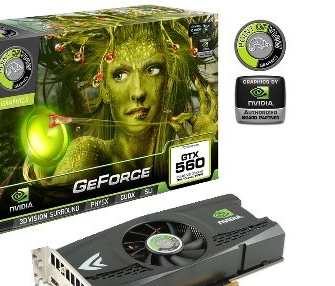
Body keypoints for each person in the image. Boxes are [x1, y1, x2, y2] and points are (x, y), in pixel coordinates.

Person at [23, 14, 217, 185]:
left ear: (167, 81)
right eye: (120, 75)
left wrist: (198, 150)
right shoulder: (87, 153)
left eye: (152, 70)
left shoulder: (172, 156)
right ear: (105, 89)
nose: (138, 92)